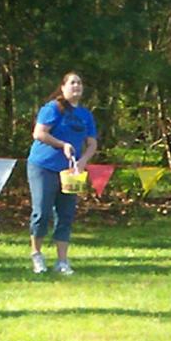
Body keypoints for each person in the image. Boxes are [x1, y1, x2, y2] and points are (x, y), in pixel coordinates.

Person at [27, 72, 97, 274]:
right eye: (72, 83)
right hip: (43, 166)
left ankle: (62, 261)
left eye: (80, 83)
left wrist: (83, 161)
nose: (76, 86)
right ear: (63, 87)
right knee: (42, 212)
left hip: (70, 171)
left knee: (65, 214)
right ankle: (37, 255)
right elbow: (39, 133)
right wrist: (62, 144)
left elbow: (92, 143)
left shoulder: (85, 115)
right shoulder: (52, 108)